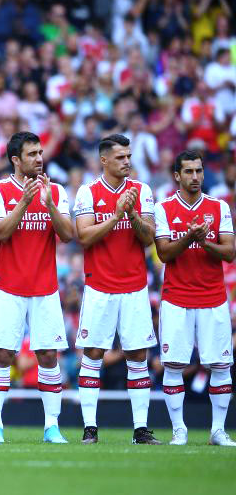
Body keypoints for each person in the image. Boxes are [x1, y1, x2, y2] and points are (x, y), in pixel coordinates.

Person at [0, 132, 74, 443]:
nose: (39, 158)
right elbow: (0, 233)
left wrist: (50, 205)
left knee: (48, 355)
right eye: (32, 154)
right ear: (16, 160)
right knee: (3, 354)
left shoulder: (56, 190)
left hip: (45, 288)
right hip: (9, 287)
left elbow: (68, 235)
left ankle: (51, 427)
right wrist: (24, 201)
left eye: (40, 152)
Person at [72, 134, 160, 444]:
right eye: (120, 157)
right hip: (100, 285)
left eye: (128, 156)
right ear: (104, 160)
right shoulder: (87, 192)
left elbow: (148, 238)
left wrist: (132, 213)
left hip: (134, 285)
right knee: (93, 353)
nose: (126, 162)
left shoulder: (142, 190)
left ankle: (140, 429)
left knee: (137, 355)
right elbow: (84, 237)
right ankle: (90, 427)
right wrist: (117, 215)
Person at [154, 150, 236, 446]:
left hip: (213, 297)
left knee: (221, 366)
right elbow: (164, 253)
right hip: (176, 298)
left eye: (199, 171)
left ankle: (217, 430)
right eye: (188, 171)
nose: (195, 177)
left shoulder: (219, 206)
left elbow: (229, 252)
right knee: (174, 365)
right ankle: (179, 429)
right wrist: (191, 237)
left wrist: (204, 242)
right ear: (177, 175)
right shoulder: (163, 208)